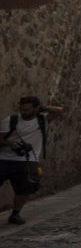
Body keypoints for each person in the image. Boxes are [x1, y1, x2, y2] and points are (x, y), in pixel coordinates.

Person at [1, 95, 64, 225]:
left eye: (28, 109)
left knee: (23, 189)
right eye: (22, 109)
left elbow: (59, 111)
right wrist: (10, 143)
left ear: (36, 108)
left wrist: (44, 107)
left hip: (28, 161)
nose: (24, 112)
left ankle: (15, 214)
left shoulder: (43, 120)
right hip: (4, 159)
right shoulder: (11, 120)